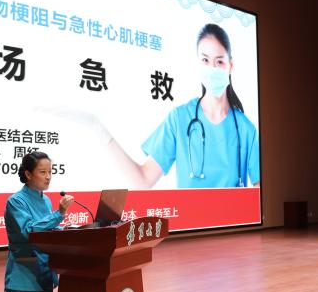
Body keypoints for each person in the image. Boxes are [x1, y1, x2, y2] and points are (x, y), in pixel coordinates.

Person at [107, 23, 260, 188]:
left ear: (230, 66)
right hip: (188, 208)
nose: (212, 68)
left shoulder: (246, 130)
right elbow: (143, 180)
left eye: (219, 61)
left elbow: (261, 193)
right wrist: (102, 134)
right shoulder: (179, 119)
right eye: (205, 60)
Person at [4, 151, 74, 292]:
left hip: (44, 275)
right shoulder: (16, 202)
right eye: (43, 172)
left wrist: (67, 230)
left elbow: (47, 232)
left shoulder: (46, 201)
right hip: (24, 278)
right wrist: (58, 215)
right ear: (28, 174)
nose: (48, 176)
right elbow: (30, 231)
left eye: (50, 172)